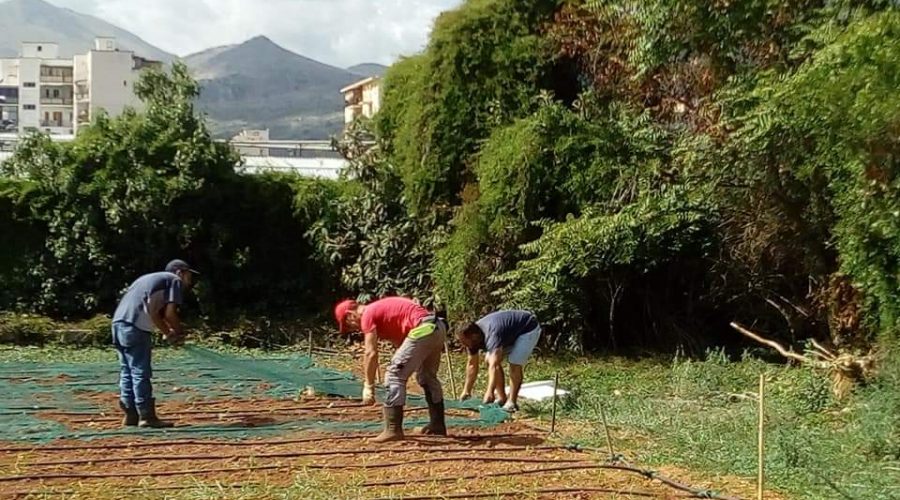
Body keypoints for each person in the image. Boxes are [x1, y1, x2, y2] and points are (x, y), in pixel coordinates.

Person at [334, 296, 447, 442]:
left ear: (350, 315)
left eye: (348, 325)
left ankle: (393, 429)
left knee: (394, 375)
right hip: (437, 327)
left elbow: (370, 353)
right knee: (426, 377)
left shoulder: (368, 314)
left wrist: (368, 386)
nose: (353, 329)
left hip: (423, 329)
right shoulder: (381, 312)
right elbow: (403, 343)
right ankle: (437, 424)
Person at [112, 259, 198, 428]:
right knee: (139, 371)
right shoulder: (174, 280)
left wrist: (168, 332)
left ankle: (131, 415)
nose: (190, 280)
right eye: (189, 275)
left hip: (118, 324)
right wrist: (176, 333)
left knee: (127, 370)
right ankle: (146, 416)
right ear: (180, 272)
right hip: (135, 327)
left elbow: (155, 311)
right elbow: (168, 313)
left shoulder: (151, 279)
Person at [457, 310, 542, 412]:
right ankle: (502, 398)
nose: (463, 344)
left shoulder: (492, 334)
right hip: (509, 333)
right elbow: (472, 365)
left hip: (527, 328)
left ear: (474, 337)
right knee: (488, 359)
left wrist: (489, 392)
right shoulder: (471, 339)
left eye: (464, 341)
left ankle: (512, 402)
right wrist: (466, 391)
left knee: (514, 363)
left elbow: (495, 365)